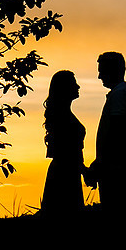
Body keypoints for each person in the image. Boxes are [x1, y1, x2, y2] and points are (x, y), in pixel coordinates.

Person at [85, 51, 126, 209]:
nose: (99, 76)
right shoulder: (119, 94)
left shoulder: (120, 95)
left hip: (116, 169)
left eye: (102, 71)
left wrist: (99, 165)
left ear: (113, 70)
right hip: (114, 166)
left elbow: (115, 133)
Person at [41, 70, 86, 215]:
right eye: (74, 84)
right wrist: (85, 171)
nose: (78, 87)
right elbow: (68, 152)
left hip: (68, 172)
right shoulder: (62, 117)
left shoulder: (63, 114)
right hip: (65, 175)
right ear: (65, 88)